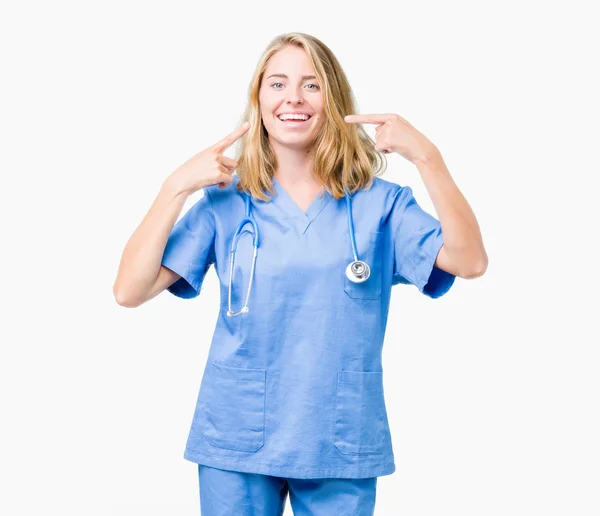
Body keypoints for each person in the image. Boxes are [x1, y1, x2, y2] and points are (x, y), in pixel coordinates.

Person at [113, 32, 487, 516]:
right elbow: (129, 290)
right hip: (237, 437)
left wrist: (427, 158)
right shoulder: (224, 201)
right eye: (277, 84)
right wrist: (174, 187)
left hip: (339, 438)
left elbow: (469, 261)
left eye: (311, 85)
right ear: (259, 101)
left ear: (333, 100)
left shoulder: (381, 204)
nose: (293, 98)